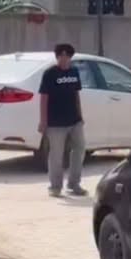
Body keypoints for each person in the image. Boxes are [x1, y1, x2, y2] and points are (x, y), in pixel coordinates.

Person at [38, 43, 86, 197]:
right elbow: (44, 98)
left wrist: (80, 115)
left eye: (67, 55)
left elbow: (76, 95)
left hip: (74, 120)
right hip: (55, 122)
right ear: (57, 56)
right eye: (61, 55)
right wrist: (43, 121)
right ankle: (55, 186)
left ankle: (74, 183)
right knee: (56, 155)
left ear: (70, 57)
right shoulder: (49, 74)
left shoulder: (74, 72)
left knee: (80, 148)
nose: (64, 58)